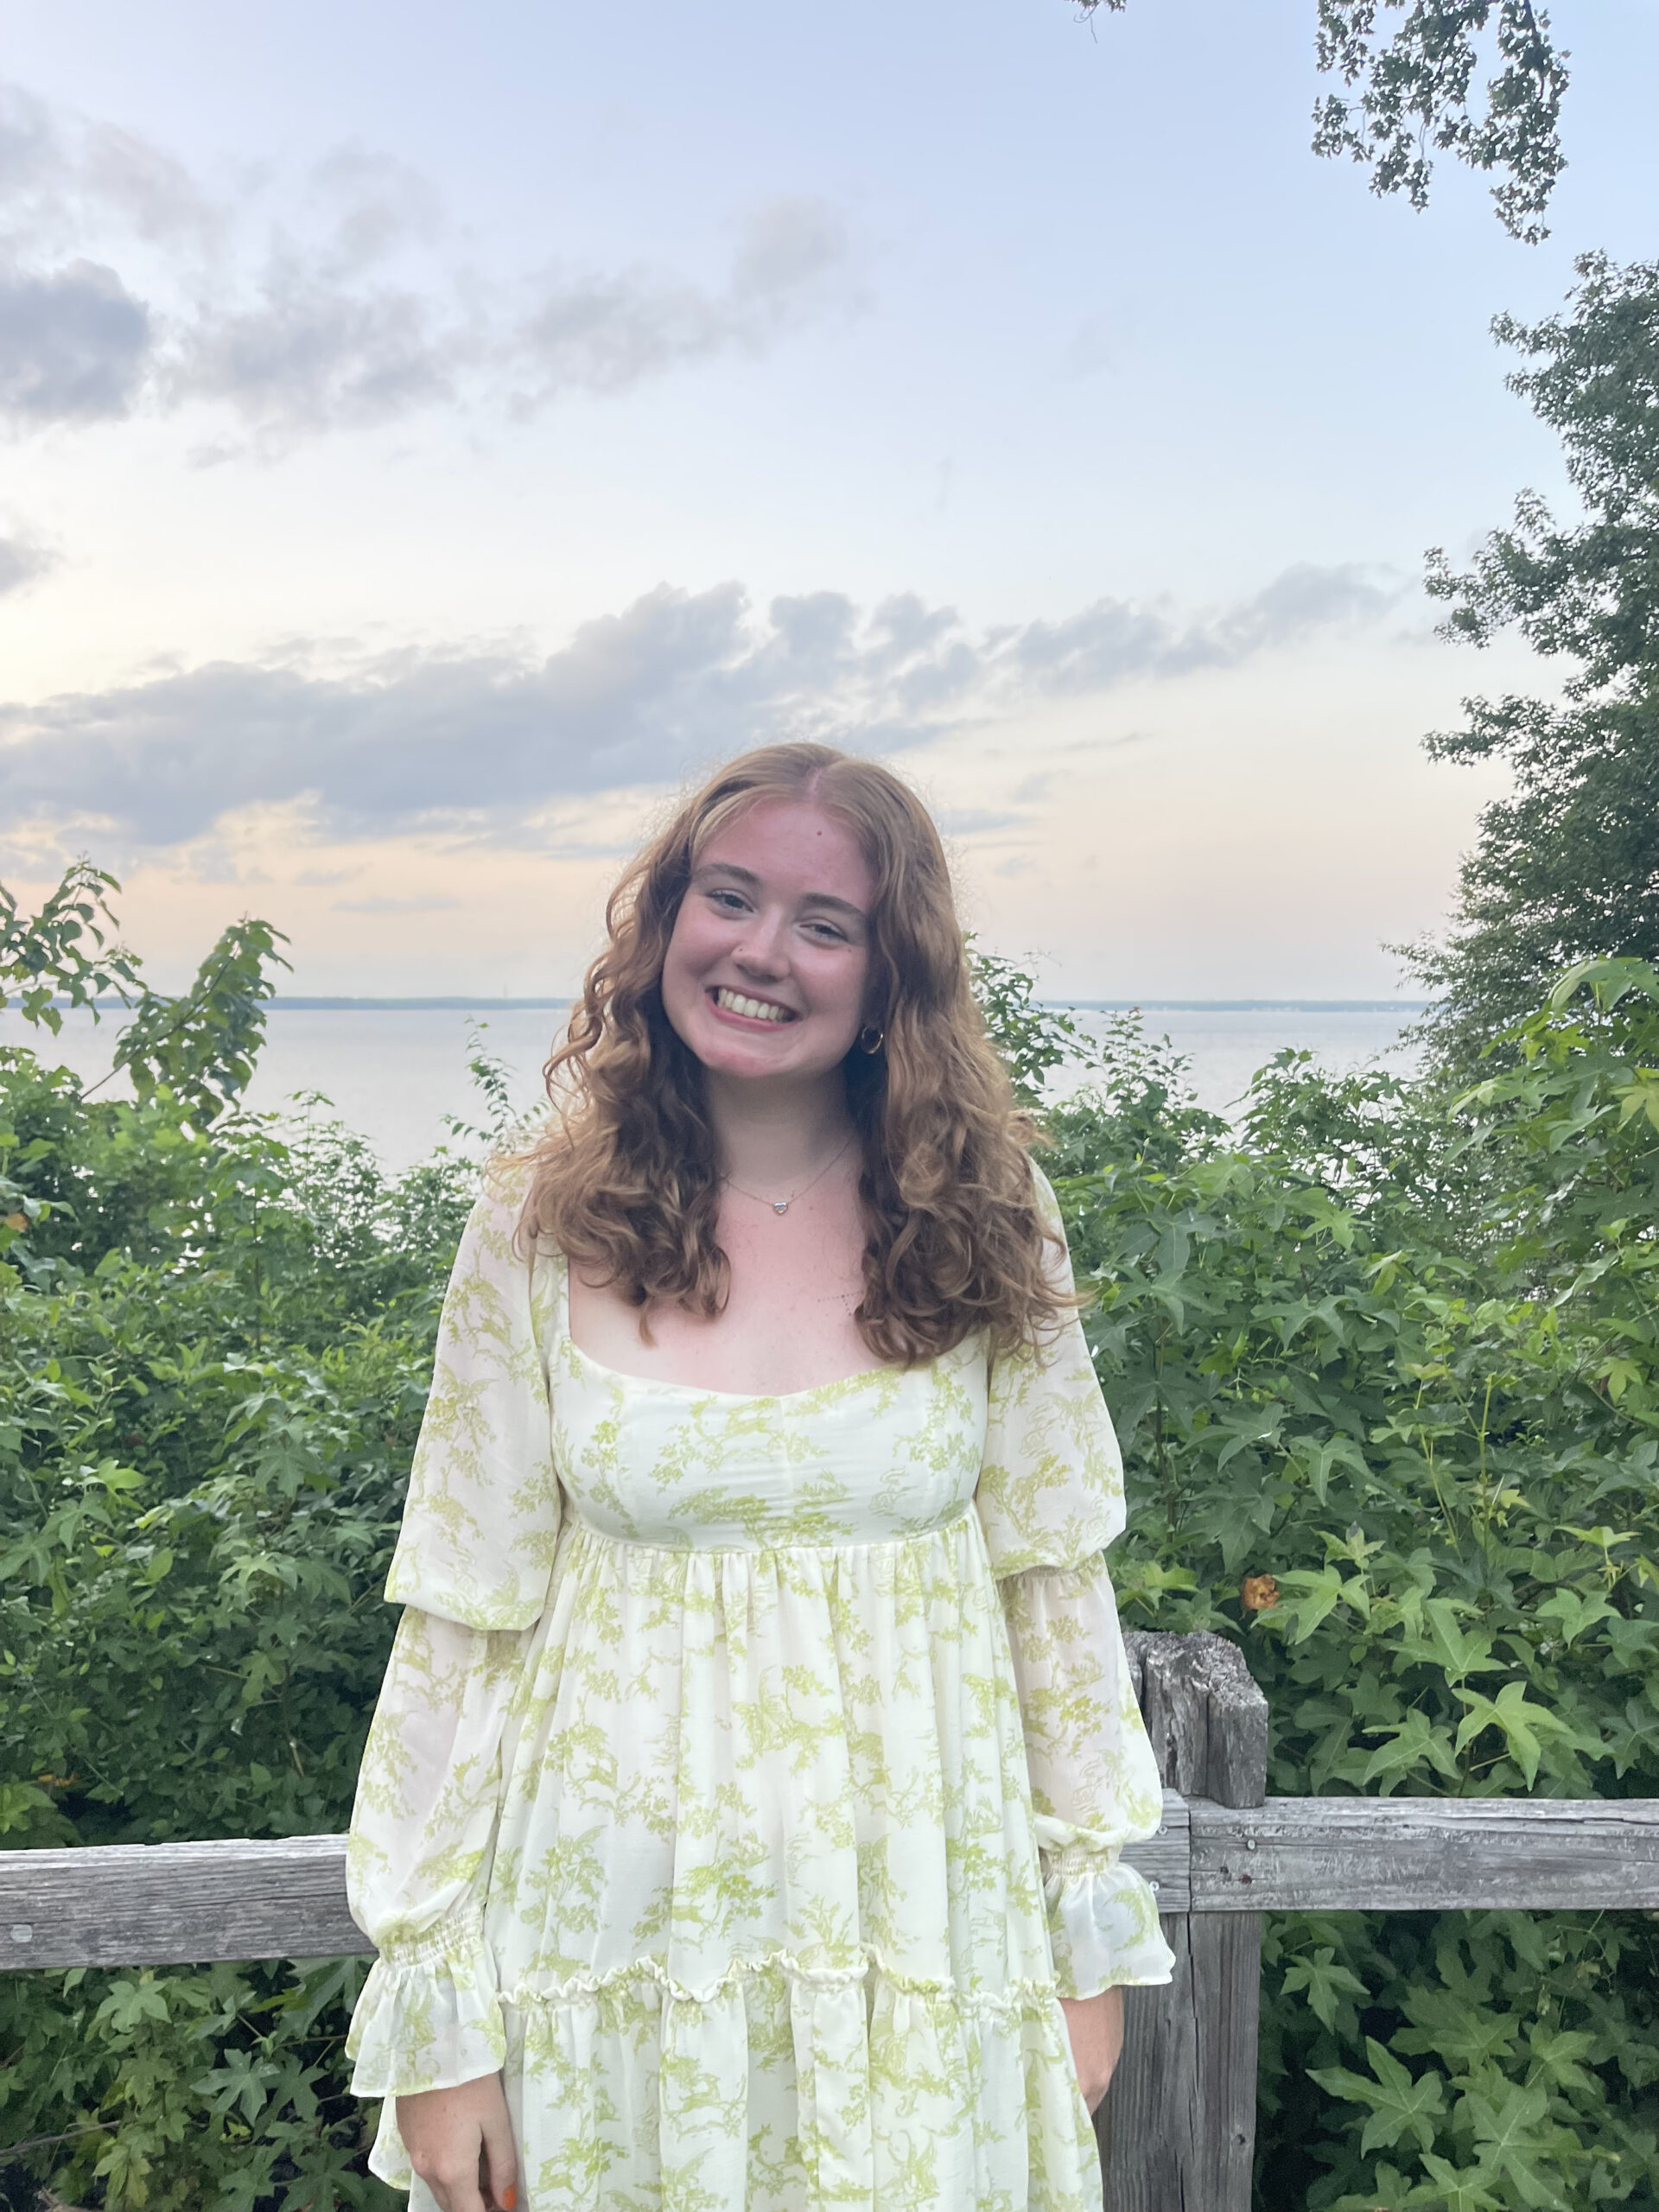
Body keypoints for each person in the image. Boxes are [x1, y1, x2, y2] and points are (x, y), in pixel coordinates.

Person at [344, 742, 1173, 2212]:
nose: (760, 951)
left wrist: (1083, 1929)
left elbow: (1052, 1583)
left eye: (824, 922)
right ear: (666, 918)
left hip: (928, 1941)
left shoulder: (987, 1213)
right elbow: (465, 1615)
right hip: (606, 1956)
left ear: (893, 974)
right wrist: (436, 2013)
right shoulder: (540, 1220)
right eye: (729, 897)